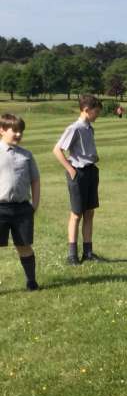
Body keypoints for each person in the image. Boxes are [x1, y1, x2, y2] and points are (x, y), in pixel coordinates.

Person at [52, 94, 103, 265]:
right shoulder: (75, 128)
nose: (98, 115)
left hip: (90, 172)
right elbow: (57, 150)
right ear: (86, 110)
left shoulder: (89, 128)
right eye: (96, 112)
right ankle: (72, 255)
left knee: (90, 212)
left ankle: (88, 253)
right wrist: (70, 169)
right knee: (76, 214)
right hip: (78, 173)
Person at [0, 114, 40, 290]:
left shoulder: (26, 155)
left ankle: (31, 281)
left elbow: (35, 180)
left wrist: (35, 204)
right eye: (14, 130)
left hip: (22, 209)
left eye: (21, 131)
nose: (18, 135)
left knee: (24, 246)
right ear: (2, 130)